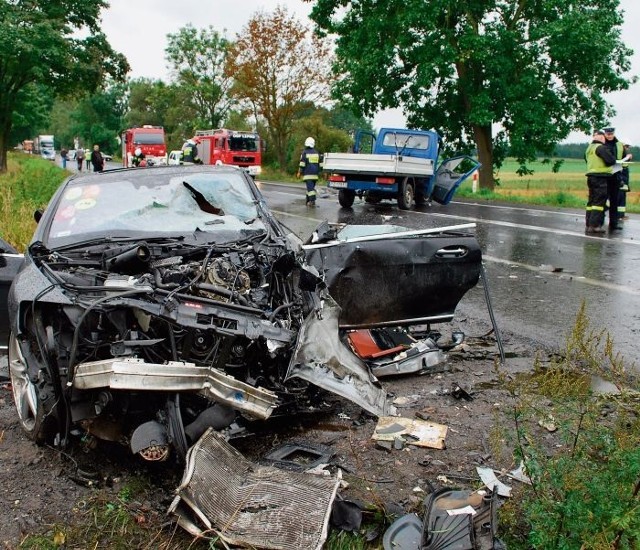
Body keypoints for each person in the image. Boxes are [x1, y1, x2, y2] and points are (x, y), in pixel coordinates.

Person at [584, 130, 617, 233]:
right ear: (602, 138)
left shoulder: (589, 148)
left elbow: (587, 160)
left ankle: (589, 224)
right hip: (600, 178)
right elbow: (611, 161)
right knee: (599, 202)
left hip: (591, 177)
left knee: (591, 201)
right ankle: (595, 226)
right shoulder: (601, 148)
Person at [602, 126, 632, 224]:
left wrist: (628, 157)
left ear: (614, 133)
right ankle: (599, 220)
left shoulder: (619, 145)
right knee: (603, 197)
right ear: (605, 134)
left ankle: (613, 223)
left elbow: (623, 157)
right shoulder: (602, 144)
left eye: (611, 134)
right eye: (608, 134)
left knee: (615, 199)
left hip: (616, 174)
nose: (610, 136)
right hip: (604, 174)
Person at [297, 136, 323, 207]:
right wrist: (321, 171)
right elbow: (321, 164)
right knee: (310, 188)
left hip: (308, 175)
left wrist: (299, 172)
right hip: (315, 175)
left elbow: (302, 164)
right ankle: (308, 200)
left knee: (310, 189)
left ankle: (312, 201)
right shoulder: (316, 153)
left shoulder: (304, 153)